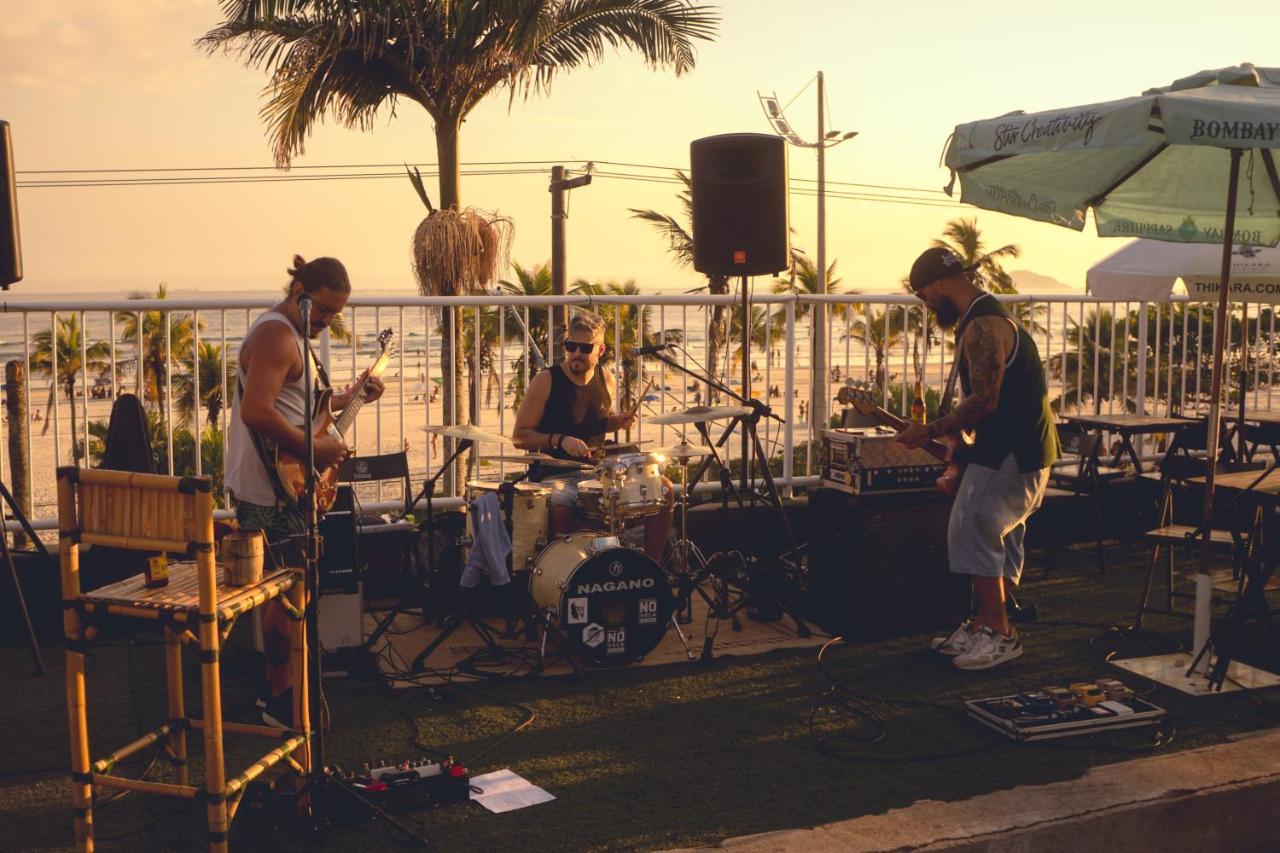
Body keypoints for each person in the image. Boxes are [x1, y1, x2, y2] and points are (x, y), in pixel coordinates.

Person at [225, 254, 384, 725]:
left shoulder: (293, 335)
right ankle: (281, 702)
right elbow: (257, 411)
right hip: (271, 489)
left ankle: (287, 690)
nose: (328, 321)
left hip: (286, 486)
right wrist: (318, 453)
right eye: (324, 311)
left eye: (336, 314)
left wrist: (350, 397)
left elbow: (299, 406)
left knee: (294, 591)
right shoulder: (277, 334)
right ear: (299, 292)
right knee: (283, 595)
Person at [895, 248, 1059, 671]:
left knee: (972, 531)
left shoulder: (983, 326)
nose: (927, 305)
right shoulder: (983, 317)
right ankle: (985, 623)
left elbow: (986, 400)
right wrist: (956, 450)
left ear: (936, 285)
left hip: (1012, 451)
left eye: (924, 296)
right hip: (1020, 448)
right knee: (996, 537)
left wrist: (928, 431)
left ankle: (1001, 634)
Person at [513, 311, 673, 562]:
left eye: (585, 347)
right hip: (554, 474)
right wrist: (558, 440)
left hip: (597, 472)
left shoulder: (607, 379)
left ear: (600, 350)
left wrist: (614, 422)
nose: (576, 353)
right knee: (560, 506)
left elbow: (592, 425)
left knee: (663, 488)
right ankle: (564, 577)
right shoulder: (546, 380)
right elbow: (519, 436)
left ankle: (653, 567)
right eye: (571, 346)